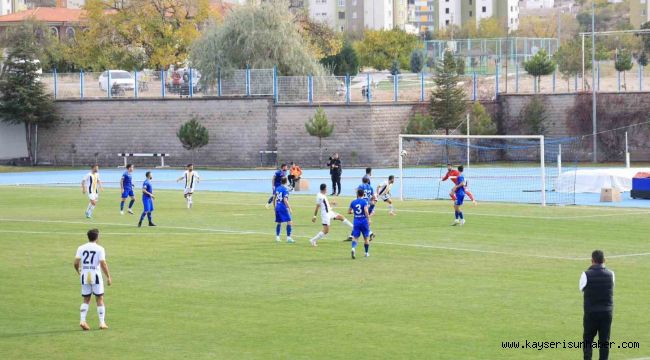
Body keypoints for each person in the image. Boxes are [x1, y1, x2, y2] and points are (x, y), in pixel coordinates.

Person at [580, 250, 615, 360]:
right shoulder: (611, 274)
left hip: (591, 313)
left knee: (588, 340)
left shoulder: (585, 274)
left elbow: (581, 289)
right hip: (606, 313)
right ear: (604, 260)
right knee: (604, 341)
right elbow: (610, 288)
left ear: (592, 261)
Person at [74, 229, 112, 331]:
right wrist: (108, 276)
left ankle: (82, 320)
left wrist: (79, 271)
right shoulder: (100, 248)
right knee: (99, 298)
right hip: (95, 275)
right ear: (97, 237)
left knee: (86, 299)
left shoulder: (81, 247)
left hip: (85, 275)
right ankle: (102, 322)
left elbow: (76, 262)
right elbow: (103, 263)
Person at [348, 188, 372, 259]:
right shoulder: (364, 202)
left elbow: (349, 211)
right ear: (363, 194)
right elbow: (366, 211)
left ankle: (353, 248)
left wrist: (353, 212)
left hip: (356, 221)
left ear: (357, 194)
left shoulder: (353, 202)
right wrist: (369, 219)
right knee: (366, 237)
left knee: (355, 237)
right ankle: (366, 253)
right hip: (364, 221)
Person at [273, 177, 294, 243]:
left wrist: (274, 206)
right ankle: (288, 237)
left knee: (279, 222)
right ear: (286, 182)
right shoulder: (285, 189)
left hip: (277, 206)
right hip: (282, 207)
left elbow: (274, 198)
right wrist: (289, 208)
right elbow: (285, 200)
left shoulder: (278, 188)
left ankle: (277, 237)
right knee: (289, 221)